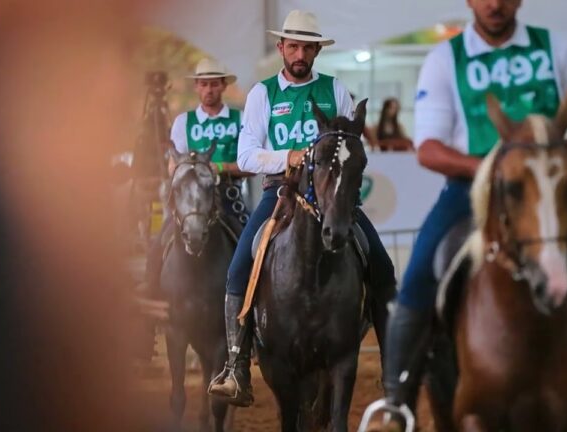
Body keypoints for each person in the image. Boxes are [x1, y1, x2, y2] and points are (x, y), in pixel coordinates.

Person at [381, 0, 567, 414]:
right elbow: (428, 147)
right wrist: (495, 169)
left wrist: (545, 163)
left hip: (544, 191)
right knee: (417, 279)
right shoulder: (444, 59)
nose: (494, 4)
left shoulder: (554, 48)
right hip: (470, 191)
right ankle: (397, 404)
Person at [208, 9, 397, 407]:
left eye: (307, 48)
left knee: (381, 265)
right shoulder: (262, 94)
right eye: (293, 46)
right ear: (281, 48)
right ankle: (237, 367)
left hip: (332, 198)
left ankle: (392, 366)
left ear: (316, 52)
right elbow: (246, 156)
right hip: (280, 192)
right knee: (238, 268)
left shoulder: (335, 89)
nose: (299, 54)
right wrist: (289, 157)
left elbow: (350, 145)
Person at [143, 58, 249, 308]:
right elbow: (173, 166)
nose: (209, 89)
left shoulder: (240, 118)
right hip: (190, 199)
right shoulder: (183, 122)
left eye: (214, 84)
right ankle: (152, 294)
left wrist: (221, 168)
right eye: (204, 84)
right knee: (161, 240)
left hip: (229, 196)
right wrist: (191, 171)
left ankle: (253, 297)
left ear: (223, 85)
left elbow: (252, 164)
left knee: (252, 240)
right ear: (196, 87)